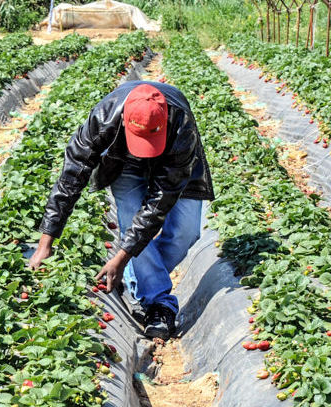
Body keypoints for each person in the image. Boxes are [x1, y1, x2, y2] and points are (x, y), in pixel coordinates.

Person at [30, 82, 213, 340]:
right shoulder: (103, 120)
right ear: (126, 122)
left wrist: (123, 258)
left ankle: (134, 277)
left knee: (187, 231)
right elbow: (70, 180)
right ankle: (158, 304)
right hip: (124, 162)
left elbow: (159, 201)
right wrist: (45, 242)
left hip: (173, 161)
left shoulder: (181, 126)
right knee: (131, 220)